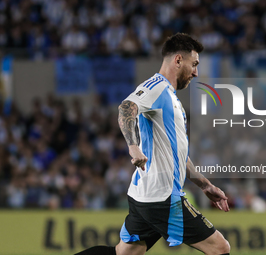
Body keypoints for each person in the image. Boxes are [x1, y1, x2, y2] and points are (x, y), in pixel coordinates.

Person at [75, 33, 231, 255]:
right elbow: (126, 108)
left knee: (123, 253)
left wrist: (205, 185)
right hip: (162, 197)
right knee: (220, 248)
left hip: (145, 194)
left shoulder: (170, 97)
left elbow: (177, 154)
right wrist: (132, 146)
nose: (196, 72)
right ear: (178, 60)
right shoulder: (156, 86)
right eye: (194, 64)